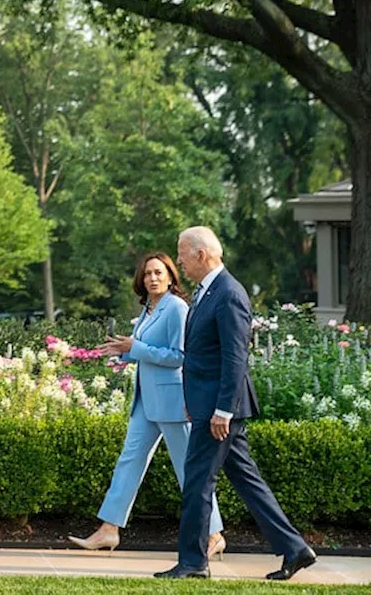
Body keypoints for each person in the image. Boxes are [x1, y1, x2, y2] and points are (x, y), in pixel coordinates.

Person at [155, 227, 316, 581]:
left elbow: (235, 357)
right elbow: (200, 353)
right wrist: (192, 401)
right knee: (247, 481)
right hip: (207, 405)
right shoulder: (208, 291)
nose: (178, 260)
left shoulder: (228, 293)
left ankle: (194, 562)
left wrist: (222, 410)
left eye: (182, 253)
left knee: (197, 483)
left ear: (201, 254)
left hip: (220, 411)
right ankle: (295, 549)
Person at [67, 252, 224, 556]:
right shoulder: (149, 310)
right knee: (129, 461)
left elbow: (180, 356)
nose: (152, 278)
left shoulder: (177, 308)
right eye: (147, 274)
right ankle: (108, 530)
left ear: (170, 277)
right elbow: (147, 350)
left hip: (173, 402)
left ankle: (214, 533)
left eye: (158, 272)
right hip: (146, 402)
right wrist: (123, 350)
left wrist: (135, 347)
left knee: (188, 470)